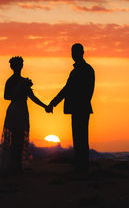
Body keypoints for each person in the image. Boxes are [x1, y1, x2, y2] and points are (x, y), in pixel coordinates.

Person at [47, 43, 95, 173]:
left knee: (80, 137)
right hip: (81, 107)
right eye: (72, 52)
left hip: (80, 107)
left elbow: (68, 89)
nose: (73, 55)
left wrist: (53, 103)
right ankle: (81, 164)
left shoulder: (82, 70)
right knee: (80, 137)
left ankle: (81, 165)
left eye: (75, 52)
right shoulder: (85, 70)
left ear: (82, 53)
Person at [0, 56, 50, 174]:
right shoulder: (11, 81)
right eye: (17, 64)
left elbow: (32, 97)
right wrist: (19, 89)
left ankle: (17, 165)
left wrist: (45, 106)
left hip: (22, 110)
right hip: (15, 110)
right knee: (14, 138)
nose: (19, 67)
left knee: (20, 138)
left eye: (20, 64)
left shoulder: (24, 81)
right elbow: (7, 96)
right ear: (14, 66)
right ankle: (14, 166)